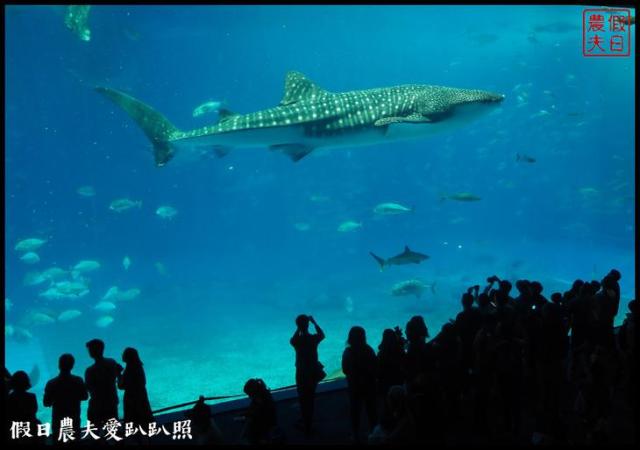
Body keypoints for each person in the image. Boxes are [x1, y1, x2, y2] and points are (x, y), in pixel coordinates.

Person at [290, 314, 325, 437]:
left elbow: (292, 340)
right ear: (308, 325)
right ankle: (307, 422)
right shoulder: (313, 339)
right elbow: (322, 334)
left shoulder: (297, 341)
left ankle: (307, 425)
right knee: (310, 397)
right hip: (313, 372)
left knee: (303, 397)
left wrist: (299, 328)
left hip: (301, 373)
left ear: (298, 326)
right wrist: (314, 322)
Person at [342, 326, 378, 442]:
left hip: (355, 386)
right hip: (369, 385)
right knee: (371, 409)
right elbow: (374, 366)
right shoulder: (369, 349)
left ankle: (355, 434)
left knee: (355, 410)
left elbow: (345, 370)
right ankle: (374, 431)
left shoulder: (348, 352)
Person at [43, 354, 88, 442]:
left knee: (58, 440)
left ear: (59, 365)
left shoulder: (51, 383)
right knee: (74, 440)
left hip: (58, 419)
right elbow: (85, 397)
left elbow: (46, 403)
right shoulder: (78, 380)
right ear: (72, 366)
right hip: (74, 417)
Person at [84, 339, 123, 429]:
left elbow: (88, 389)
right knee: (113, 430)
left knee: (97, 432)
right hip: (111, 401)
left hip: (97, 406)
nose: (89, 352)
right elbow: (118, 375)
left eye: (90, 349)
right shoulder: (112, 362)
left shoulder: (90, 371)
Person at [118, 347, 154, 435]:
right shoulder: (138, 366)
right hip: (141, 397)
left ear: (128, 356)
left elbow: (121, 386)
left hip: (132, 400)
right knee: (144, 422)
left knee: (134, 423)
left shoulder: (130, 368)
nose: (122, 355)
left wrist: (118, 375)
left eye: (124, 354)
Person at [6, 370, 41, 444]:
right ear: (27, 383)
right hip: (30, 427)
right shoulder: (32, 396)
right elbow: (34, 411)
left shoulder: (9, 398)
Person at [240, 378, 279, 444]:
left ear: (254, 394)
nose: (249, 397)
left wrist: (247, 416)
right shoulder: (262, 397)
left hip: (263, 428)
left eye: (249, 395)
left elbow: (255, 416)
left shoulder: (263, 403)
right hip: (265, 425)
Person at [376, 328, 405, 397]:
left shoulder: (381, 352)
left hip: (384, 382)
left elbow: (378, 368)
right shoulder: (400, 350)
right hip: (398, 380)